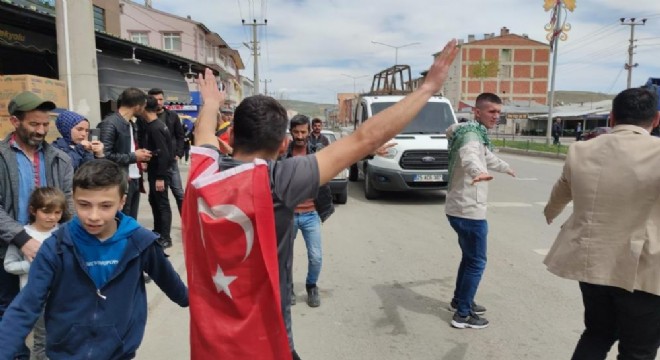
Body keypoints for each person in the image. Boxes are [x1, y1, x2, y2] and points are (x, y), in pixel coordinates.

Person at [188, 39, 459, 360]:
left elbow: (203, 136)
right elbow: (364, 138)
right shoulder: (275, 181)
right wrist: (428, 88)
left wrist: (209, 103)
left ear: (230, 138)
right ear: (282, 144)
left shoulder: (200, 173)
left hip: (208, 346)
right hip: (262, 345)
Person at [0, 159, 189, 359]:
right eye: (84, 205)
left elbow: (174, 286)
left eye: (105, 206)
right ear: (73, 198)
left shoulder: (140, 242)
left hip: (119, 352)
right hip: (64, 352)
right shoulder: (56, 247)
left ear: (122, 201)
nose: (93, 216)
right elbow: (26, 305)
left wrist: (204, 301)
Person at [544, 87, 660, 360]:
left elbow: (561, 191)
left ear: (611, 118)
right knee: (637, 351)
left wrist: (550, 212)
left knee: (597, 334)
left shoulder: (581, 150)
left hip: (593, 264)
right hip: (643, 270)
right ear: (656, 119)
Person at [0, 91, 74, 360]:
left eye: (45, 124)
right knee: (10, 312)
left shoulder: (60, 158)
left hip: (52, 248)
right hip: (7, 248)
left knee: (51, 311)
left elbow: (69, 204)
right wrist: (22, 239)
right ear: (15, 121)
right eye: (34, 124)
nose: (41, 130)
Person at [445, 92, 516, 329]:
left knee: (469, 259)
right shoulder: (471, 138)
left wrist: (505, 167)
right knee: (477, 262)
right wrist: (478, 173)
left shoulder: (472, 132)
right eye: (492, 112)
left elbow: (486, 157)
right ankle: (463, 315)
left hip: (459, 207)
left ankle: (460, 301)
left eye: (499, 112)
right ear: (477, 112)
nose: (496, 116)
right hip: (468, 210)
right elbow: (470, 158)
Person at [3, 187, 68, 360]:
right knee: (41, 340)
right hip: (35, 297)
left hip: (61, 297)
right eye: (46, 212)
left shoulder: (64, 233)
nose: (52, 217)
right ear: (33, 210)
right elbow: (9, 265)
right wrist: (34, 266)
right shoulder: (23, 235)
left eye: (57, 212)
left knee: (60, 337)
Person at [284, 114, 334, 308]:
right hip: (288, 215)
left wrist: (371, 149)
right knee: (285, 255)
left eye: (303, 131)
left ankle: (311, 286)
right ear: (291, 132)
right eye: (296, 132)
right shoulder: (283, 153)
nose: (299, 135)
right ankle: (287, 287)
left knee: (316, 256)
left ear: (309, 131)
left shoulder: (317, 151)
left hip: (311, 214)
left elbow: (341, 157)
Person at [99, 87, 152, 219]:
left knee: (130, 220)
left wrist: (138, 155)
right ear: (137, 106)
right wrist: (134, 156)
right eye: (144, 105)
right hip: (120, 180)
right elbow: (104, 155)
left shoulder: (131, 124)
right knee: (121, 220)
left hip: (133, 178)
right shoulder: (110, 123)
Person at [142, 95, 174, 249]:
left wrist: (161, 177)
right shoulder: (155, 125)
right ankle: (158, 232)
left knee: (162, 204)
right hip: (156, 170)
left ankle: (165, 237)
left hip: (160, 173)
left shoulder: (156, 127)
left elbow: (164, 153)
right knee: (154, 201)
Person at [147, 88, 185, 214]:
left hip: (171, 161)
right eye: (155, 99)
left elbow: (180, 136)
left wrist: (178, 153)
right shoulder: (145, 118)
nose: (159, 102)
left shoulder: (172, 116)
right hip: (155, 162)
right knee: (157, 197)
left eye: (161, 99)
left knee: (179, 193)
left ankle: (186, 223)